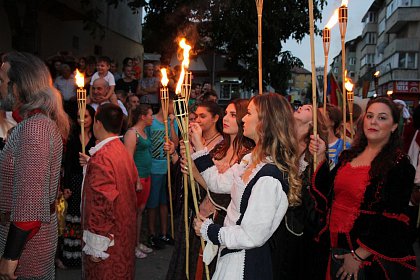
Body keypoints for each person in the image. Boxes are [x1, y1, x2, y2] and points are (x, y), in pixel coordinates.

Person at [191, 93, 300, 279]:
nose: (243, 118)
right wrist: (199, 148)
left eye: (249, 113)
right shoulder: (251, 160)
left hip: (245, 264)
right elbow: (218, 184)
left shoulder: (269, 178)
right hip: (232, 256)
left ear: (264, 122)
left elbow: (251, 236)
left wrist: (209, 230)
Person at [315, 97, 417, 279]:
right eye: (370, 116)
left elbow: (393, 218)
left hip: (368, 256)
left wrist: (358, 255)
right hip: (334, 245)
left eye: (382, 117)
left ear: (394, 126)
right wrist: (321, 155)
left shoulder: (399, 165)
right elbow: (327, 193)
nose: (374, 122)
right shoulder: (348, 156)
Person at [0, 51, 70, 279]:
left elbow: (29, 207)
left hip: (26, 251)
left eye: (2, 81)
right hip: (24, 241)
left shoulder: (35, 129)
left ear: (18, 86)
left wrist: (10, 258)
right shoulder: (32, 125)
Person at [165, 99, 254, 279]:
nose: (226, 118)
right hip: (201, 210)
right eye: (226, 113)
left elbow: (219, 188)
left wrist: (194, 170)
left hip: (222, 220)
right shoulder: (223, 146)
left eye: (233, 115)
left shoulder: (247, 154)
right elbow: (206, 180)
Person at [269, 104, 330, 280]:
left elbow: (319, 196)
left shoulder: (315, 152)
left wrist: (320, 159)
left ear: (313, 122)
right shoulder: (282, 141)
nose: (302, 106)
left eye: (308, 108)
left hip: (297, 231)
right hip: (274, 222)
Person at [81, 103, 139, 279]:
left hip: (109, 241)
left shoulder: (102, 157)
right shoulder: (120, 149)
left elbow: (101, 203)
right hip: (123, 233)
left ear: (97, 123)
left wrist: (96, 246)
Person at [60, 105, 97, 268]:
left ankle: (87, 255)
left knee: (88, 216)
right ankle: (71, 257)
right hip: (75, 181)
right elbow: (67, 163)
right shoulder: (72, 137)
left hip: (90, 180)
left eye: (86, 117)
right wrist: (66, 185)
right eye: (79, 117)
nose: (82, 120)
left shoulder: (97, 138)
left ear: (93, 118)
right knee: (73, 218)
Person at [146, 95, 179, 249]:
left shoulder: (173, 122)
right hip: (153, 167)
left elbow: (176, 143)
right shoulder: (151, 121)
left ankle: (164, 233)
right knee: (153, 203)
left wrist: (172, 124)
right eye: (172, 105)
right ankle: (152, 234)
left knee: (165, 201)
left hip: (167, 168)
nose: (174, 109)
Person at [124, 104, 155, 259]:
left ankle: (136, 243)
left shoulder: (144, 131)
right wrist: (136, 180)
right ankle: (130, 246)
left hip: (146, 176)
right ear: (143, 117)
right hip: (138, 178)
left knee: (140, 211)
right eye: (150, 114)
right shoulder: (132, 133)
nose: (152, 117)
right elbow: (129, 159)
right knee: (133, 212)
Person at [322, 104, 351, 170]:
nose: (317, 118)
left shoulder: (344, 146)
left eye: (321, 115)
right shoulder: (313, 145)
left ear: (332, 121)